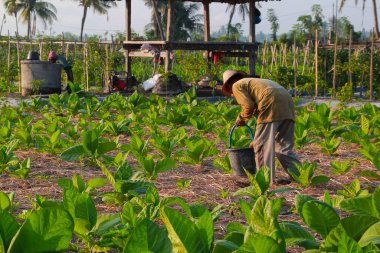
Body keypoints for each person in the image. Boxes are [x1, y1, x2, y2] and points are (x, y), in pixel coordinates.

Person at [222, 70, 301, 184]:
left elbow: (248, 107)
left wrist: (241, 118)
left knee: (262, 147)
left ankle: (264, 181)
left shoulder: (236, 85)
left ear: (228, 85)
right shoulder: (255, 83)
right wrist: (257, 137)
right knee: (283, 147)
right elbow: (261, 118)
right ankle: (300, 176)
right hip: (287, 101)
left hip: (271, 100)